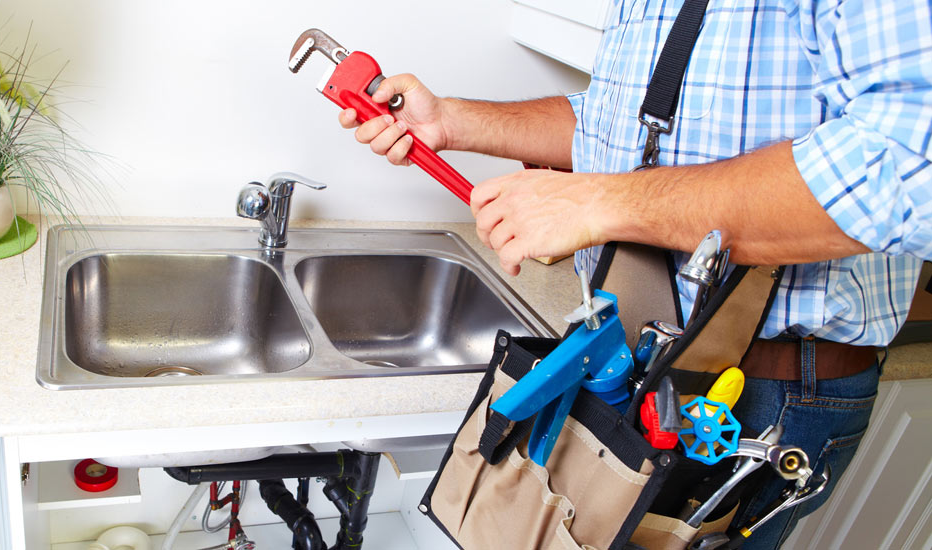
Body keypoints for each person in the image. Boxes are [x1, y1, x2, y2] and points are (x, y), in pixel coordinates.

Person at [337, 0, 931, 547]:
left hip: (753, 391)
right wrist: (452, 121)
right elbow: (612, 124)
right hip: (635, 355)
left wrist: (597, 202)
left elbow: (909, 167)